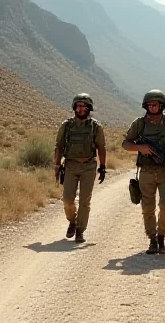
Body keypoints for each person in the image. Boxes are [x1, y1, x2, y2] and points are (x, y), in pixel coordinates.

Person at [122, 89, 165, 255]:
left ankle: (161, 238)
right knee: (148, 207)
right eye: (150, 105)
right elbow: (125, 143)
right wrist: (140, 148)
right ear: (146, 106)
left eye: (156, 104)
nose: (152, 107)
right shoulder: (139, 124)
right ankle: (152, 240)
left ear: (162, 105)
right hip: (146, 172)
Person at [54, 93, 107, 243]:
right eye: (78, 106)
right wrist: (57, 165)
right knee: (67, 199)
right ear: (74, 107)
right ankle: (73, 220)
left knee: (85, 200)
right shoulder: (67, 125)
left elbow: (101, 147)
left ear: (89, 108)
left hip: (89, 166)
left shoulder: (95, 127)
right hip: (70, 165)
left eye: (84, 106)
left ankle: (80, 230)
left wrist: (103, 166)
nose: (81, 109)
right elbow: (59, 146)